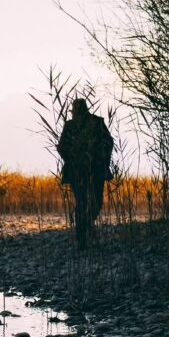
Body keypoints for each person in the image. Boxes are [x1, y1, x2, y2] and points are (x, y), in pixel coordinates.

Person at [57, 98, 114, 247]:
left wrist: (98, 158)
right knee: (85, 202)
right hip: (80, 171)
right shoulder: (72, 126)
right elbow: (62, 147)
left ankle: (84, 229)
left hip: (94, 170)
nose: (75, 114)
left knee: (93, 202)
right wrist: (73, 159)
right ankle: (82, 237)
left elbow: (108, 143)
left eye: (75, 111)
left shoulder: (96, 122)